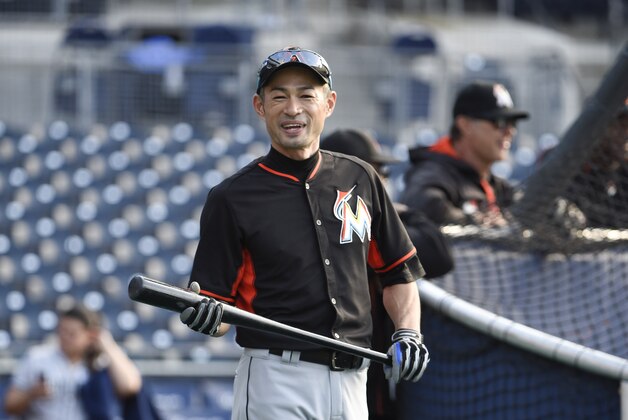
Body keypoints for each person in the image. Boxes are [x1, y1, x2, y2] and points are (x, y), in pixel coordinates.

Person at [180, 46, 430, 420]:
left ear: (328, 103)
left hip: (353, 380)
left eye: (306, 95)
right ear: (259, 106)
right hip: (276, 378)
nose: (293, 108)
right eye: (279, 96)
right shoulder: (231, 198)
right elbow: (217, 308)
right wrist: (207, 318)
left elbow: (399, 272)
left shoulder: (361, 177)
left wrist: (408, 332)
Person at [400, 81, 529, 228]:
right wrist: (475, 222)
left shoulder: (496, 185)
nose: (509, 131)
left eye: (512, 123)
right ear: (465, 125)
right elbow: (423, 207)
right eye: (499, 122)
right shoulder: (432, 174)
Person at [3, 304, 156, 420]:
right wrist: (32, 393)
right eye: (61, 331)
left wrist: (107, 343)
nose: (64, 338)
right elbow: (9, 405)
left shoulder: (100, 363)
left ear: (90, 335)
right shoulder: (38, 357)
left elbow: (130, 386)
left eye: (72, 334)